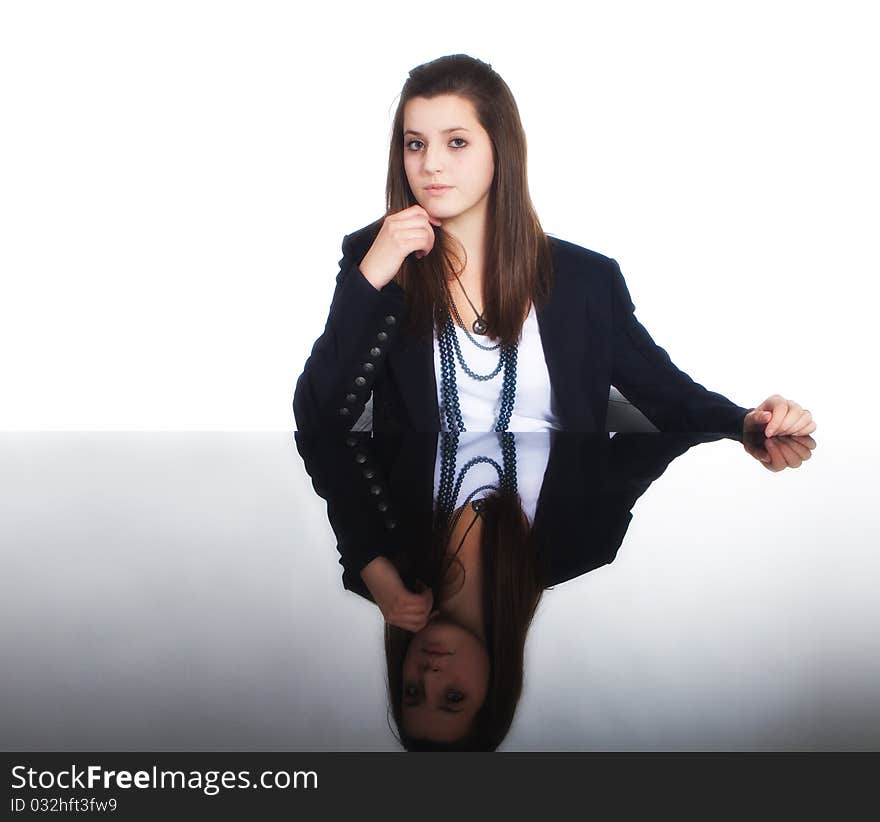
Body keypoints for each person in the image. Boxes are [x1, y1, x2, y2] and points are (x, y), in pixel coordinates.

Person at [293, 53, 816, 443]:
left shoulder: (585, 279)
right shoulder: (373, 254)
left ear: (501, 149)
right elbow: (317, 419)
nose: (431, 164)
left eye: (456, 142)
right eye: (415, 143)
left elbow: (665, 392)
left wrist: (748, 420)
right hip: (418, 537)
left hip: (553, 530)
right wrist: (371, 277)